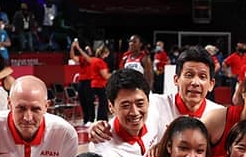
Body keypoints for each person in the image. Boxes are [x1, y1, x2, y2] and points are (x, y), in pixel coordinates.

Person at [90, 46, 222, 143]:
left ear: (211, 84)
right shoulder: (154, 103)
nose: (195, 82)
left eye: (202, 77)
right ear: (176, 80)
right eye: (189, 75)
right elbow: (125, 117)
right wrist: (100, 128)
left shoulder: (220, 115)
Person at [75, 43, 111, 121]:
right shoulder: (101, 62)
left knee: (96, 102)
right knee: (103, 102)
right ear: (104, 53)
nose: (107, 56)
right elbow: (105, 75)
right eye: (107, 54)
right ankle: (101, 119)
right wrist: (114, 75)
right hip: (100, 84)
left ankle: (95, 118)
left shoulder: (93, 60)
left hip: (93, 84)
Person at [70, 39, 94, 125]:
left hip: (89, 81)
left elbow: (88, 58)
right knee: (82, 100)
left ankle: (91, 119)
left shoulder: (92, 59)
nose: (87, 50)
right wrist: (72, 47)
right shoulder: (82, 59)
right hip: (81, 81)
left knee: (89, 100)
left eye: (88, 49)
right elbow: (72, 57)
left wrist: (78, 48)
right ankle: (85, 119)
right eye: (86, 49)